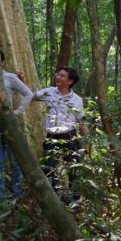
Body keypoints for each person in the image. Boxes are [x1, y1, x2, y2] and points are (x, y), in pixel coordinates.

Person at [32, 67, 87, 202]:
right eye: (58, 75)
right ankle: (54, 199)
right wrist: (20, 81)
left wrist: (86, 142)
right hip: (52, 137)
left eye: (62, 76)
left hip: (70, 137)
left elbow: (82, 121)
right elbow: (31, 96)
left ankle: (76, 199)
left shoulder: (77, 100)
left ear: (70, 81)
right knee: (48, 169)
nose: (58, 77)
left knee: (74, 169)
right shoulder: (49, 92)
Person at [0, 51, 32, 197]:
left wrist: (18, 112)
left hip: (10, 124)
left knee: (14, 161)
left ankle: (17, 193)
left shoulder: (10, 77)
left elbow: (28, 94)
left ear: (2, 62)